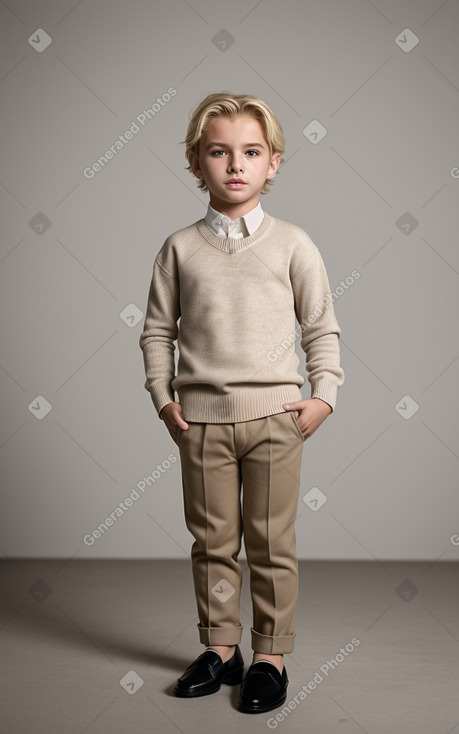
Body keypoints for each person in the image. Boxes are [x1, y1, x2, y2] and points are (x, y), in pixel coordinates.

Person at [139, 92, 345, 714]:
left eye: (250, 152)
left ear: (273, 163)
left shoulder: (293, 244)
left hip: (277, 421)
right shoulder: (179, 248)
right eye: (219, 152)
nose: (235, 164)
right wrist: (163, 400)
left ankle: (272, 657)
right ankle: (221, 649)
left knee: (271, 542)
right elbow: (156, 331)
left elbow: (321, 324)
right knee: (212, 542)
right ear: (196, 162)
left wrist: (323, 395)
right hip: (201, 421)